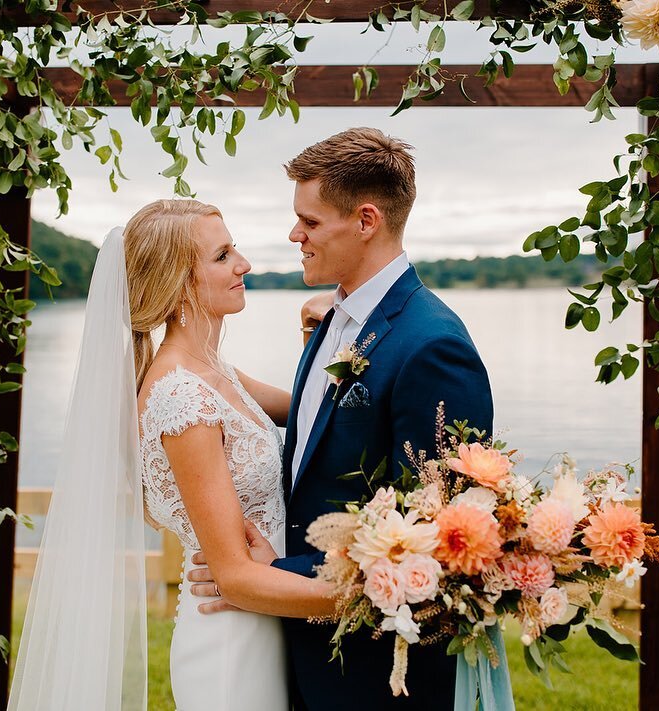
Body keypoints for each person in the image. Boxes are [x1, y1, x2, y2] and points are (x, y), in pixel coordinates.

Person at [188, 128, 515, 710]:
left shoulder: (432, 347)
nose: (294, 234)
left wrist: (274, 572)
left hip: (381, 676)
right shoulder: (336, 320)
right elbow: (318, 436)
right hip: (312, 655)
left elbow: (437, 550)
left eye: (309, 222)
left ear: (366, 221)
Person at [7, 199, 333, 711]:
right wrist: (368, 597)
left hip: (269, 617)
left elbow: (315, 414)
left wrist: (325, 333)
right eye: (224, 256)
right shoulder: (182, 397)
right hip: (231, 644)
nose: (244, 265)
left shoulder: (216, 370)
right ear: (181, 283)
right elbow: (234, 577)